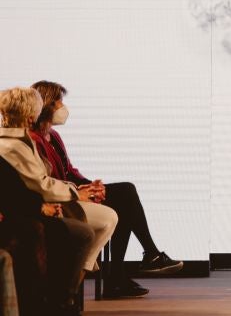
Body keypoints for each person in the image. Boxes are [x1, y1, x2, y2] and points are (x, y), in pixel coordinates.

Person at [29, 81, 183, 299]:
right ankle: (138, 263)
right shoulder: (33, 140)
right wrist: (80, 191)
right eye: (58, 103)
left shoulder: (52, 135)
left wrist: (92, 185)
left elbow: (68, 170)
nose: (63, 108)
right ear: (45, 106)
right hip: (60, 199)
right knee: (125, 196)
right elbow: (48, 180)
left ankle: (133, 266)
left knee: (125, 195)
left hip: (71, 192)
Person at [0, 86, 116, 313]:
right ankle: (61, 298)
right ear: (31, 115)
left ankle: (66, 294)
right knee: (83, 232)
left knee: (108, 209)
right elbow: (39, 184)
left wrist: (81, 188)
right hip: (30, 210)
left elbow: (51, 177)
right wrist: (73, 195)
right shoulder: (14, 145)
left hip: (41, 203)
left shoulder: (28, 139)